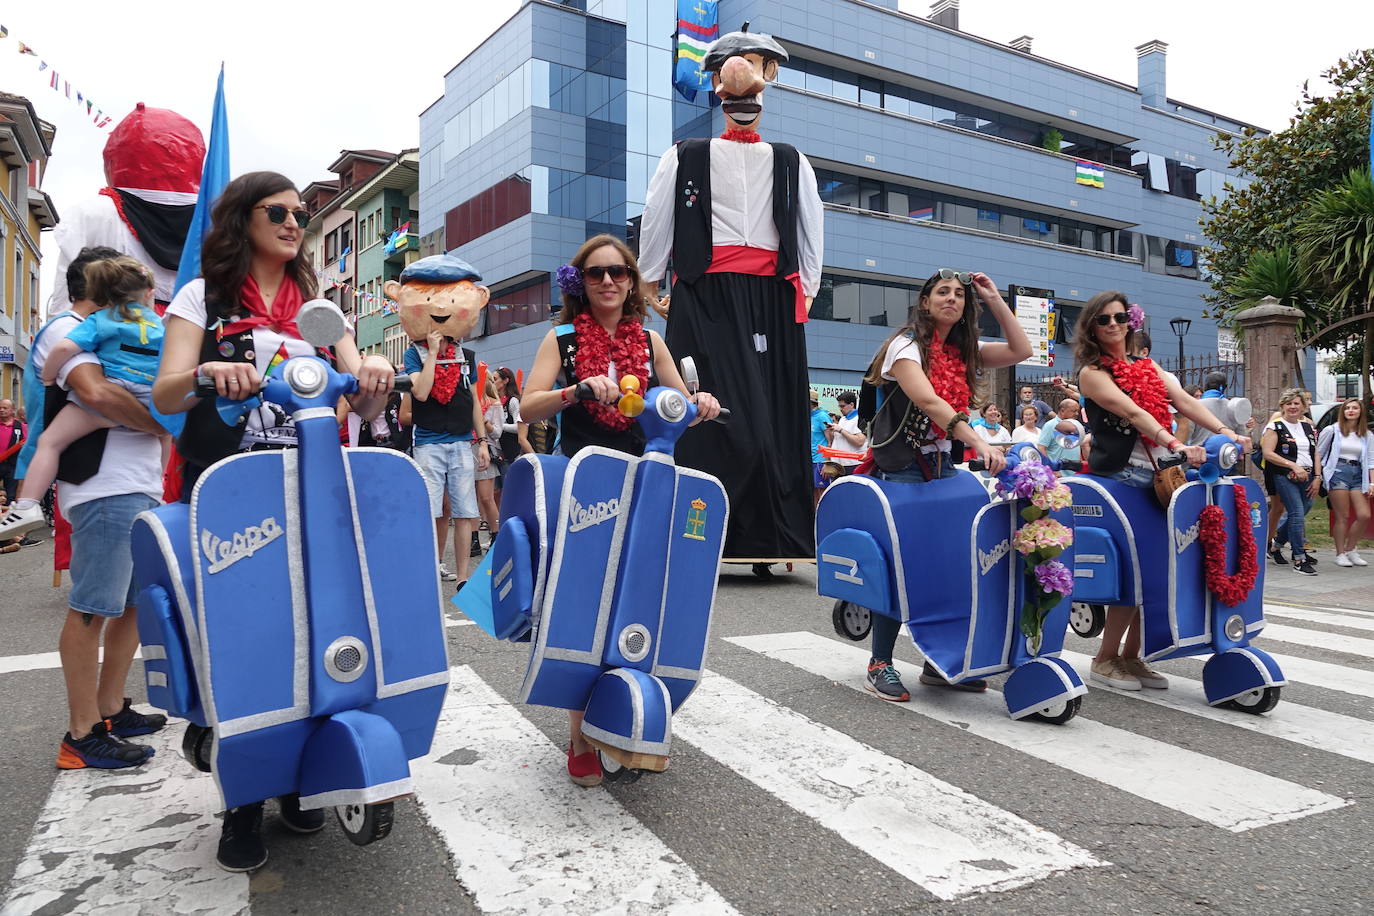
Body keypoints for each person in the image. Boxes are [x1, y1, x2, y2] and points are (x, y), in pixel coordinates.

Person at [153, 170, 394, 872]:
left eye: (299, 213)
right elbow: (166, 389)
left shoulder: (321, 310)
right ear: (241, 220)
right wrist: (207, 375)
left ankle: (300, 780)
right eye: (277, 211)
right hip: (230, 491)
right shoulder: (205, 297)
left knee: (319, 630)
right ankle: (241, 802)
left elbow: (368, 409)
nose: (294, 222)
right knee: (247, 640)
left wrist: (374, 372)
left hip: (314, 491)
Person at [520, 233, 719, 788]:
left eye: (618, 272)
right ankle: (580, 732)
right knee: (584, 603)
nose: (607, 281)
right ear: (578, 283)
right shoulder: (561, 338)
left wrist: (699, 403)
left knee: (638, 599)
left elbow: (675, 406)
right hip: (585, 484)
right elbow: (527, 404)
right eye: (595, 273)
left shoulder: (651, 340)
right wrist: (576, 391)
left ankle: (625, 709)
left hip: (645, 484)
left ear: (632, 280)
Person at [639, 26, 823, 565]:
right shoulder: (685, 155)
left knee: (772, 415)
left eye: (753, 95)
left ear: (765, 93)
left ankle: (773, 536)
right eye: (734, 94)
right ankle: (704, 531)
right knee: (706, 409)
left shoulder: (792, 160)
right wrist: (651, 281)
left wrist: (804, 292)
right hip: (706, 292)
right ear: (719, 92)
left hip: (772, 293)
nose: (745, 104)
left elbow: (811, 229)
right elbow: (658, 220)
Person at [859, 269, 1030, 700]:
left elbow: (1022, 349)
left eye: (958, 294)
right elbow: (928, 400)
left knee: (953, 564)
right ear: (924, 301)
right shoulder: (904, 346)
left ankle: (939, 661)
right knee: (900, 564)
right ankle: (880, 660)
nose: (951, 299)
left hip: (943, 470)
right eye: (942, 292)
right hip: (902, 470)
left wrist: (992, 297)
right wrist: (977, 441)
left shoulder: (961, 352)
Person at [1074, 292, 1251, 690]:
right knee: (1134, 569)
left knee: (1160, 572)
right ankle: (1105, 658)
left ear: (1131, 321)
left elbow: (1186, 401)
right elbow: (1134, 413)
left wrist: (1227, 432)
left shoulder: (1148, 366)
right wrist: (1173, 444)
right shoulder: (1092, 372)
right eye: (1104, 320)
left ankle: (1133, 657)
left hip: (1160, 481)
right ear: (1092, 327)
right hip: (1121, 479)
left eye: (1120, 317)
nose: (1114, 324)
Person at [1, 258, 180, 539]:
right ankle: (160, 483)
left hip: (111, 400)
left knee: (50, 442)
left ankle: (27, 504)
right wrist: (160, 420)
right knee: (164, 436)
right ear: (148, 292)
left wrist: (49, 375)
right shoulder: (160, 324)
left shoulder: (100, 320)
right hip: (150, 395)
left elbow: (67, 352)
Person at [387, 255, 492, 589]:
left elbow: (474, 398)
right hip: (428, 441)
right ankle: (430, 566)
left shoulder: (468, 356)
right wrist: (432, 352)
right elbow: (420, 392)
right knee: (430, 509)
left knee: (464, 511)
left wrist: (482, 441)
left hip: (462, 440)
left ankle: (462, 575)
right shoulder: (411, 353)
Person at [1259, 390, 1320, 576]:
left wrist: (1318, 477)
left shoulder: (1308, 427)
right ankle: (1299, 558)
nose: (1293, 407)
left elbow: (1316, 452)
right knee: (1296, 512)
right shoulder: (1275, 427)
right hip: (1284, 475)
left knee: (1302, 512)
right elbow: (1268, 453)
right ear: (1282, 406)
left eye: (1296, 403)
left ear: (1303, 406)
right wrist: (1292, 465)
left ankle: (1276, 545)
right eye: (1289, 404)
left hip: (1308, 475)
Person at [1319, 397, 1373, 567]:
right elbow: (1319, 453)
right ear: (1343, 411)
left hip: (1358, 474)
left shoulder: (1367, 434)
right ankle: (1340, 553)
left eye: (1354, 408)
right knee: (1343, 516)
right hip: (1338, 472)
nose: (1350, 410)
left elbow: (1371, 460)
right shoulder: (1332, 430)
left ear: (1360, 411)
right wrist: (1318, 476)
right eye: (1347, 407)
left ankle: (1351, 549)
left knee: (1364, 515)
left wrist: (1372, 483)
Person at [1185, 371, 1255, 447]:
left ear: (1205, 386)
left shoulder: (1195, 406)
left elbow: (1186, 434)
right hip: (1227, 454)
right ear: (1225, 386)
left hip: (1201, 453)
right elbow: (1241, 436)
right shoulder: (1234, 407)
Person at [475, 376, 503, 548]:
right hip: (467, 448)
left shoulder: (495, 404)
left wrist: (483, 421)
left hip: (486, 449)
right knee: (471, 500)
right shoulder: (472, 403)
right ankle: (474, 540)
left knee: (486, 497)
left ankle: (497, 535)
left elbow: (498, 433)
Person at [1037, 397, 1086, 472]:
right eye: (1074, 411)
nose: (1077, 414)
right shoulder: (1050, 425)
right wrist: (1051, 470)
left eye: (1077, 411)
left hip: (1075, 473)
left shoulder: (1076, 425)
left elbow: (1076, 448)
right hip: (1059, 475)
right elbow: (1041, 448)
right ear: (1062, 411)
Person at [830, 391, 866, 473]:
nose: (840, 409)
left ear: (852, 405)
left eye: (842, 406)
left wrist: (841, 430)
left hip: (853, 464)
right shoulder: (843, 419)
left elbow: (860, 441)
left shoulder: (859, 419)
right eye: (839, 406)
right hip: (839, 464)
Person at [809, 390, 831, 503]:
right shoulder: (808, 416)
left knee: (822, 493)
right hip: (811, 460)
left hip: (820, 460)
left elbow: (830, 441)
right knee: (813, 492)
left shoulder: (822, 416)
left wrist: (827, 463)